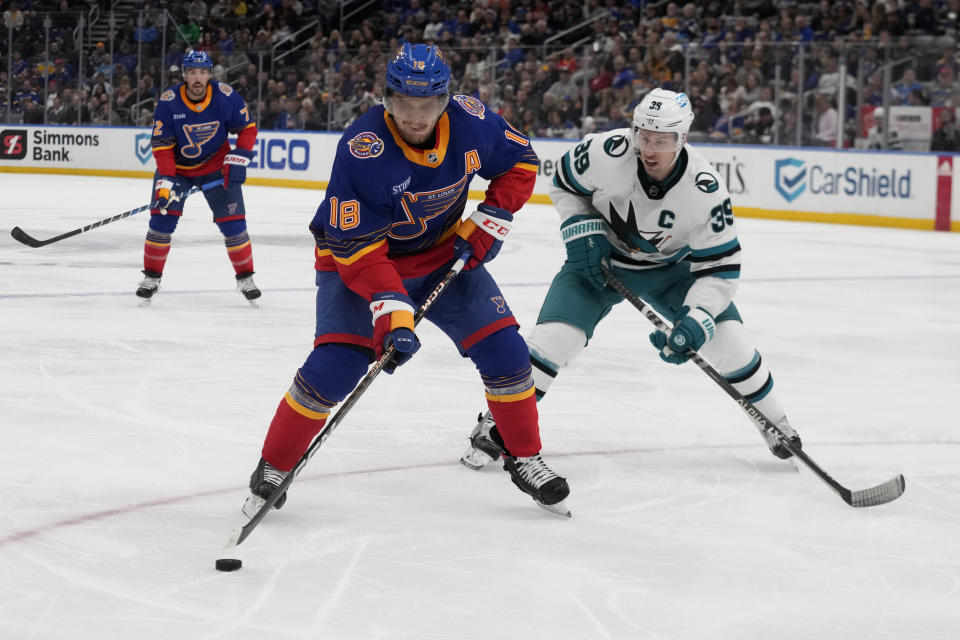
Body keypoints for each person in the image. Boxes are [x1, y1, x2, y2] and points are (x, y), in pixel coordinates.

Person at [241, 43, 571, 519]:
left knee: (507, 352)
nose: (416, 117)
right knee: (337, 365)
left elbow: (520, 161)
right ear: (386, 99)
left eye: (428, 105)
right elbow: (358, 249)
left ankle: (524, 455)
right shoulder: (362, 150)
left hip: (442, 258)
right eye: (404, 105)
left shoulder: (472, 121)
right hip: (356, 259)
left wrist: (492, 216)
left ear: (446, 100)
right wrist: (393, 312)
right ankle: (274, 465)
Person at [460, 88, 803, 472]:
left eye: (662, 140)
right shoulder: (606, 152)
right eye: (643, 135)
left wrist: (696, 318)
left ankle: (775, 421)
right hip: (598, 263)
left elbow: (720, 268)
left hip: (674, 271)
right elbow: (563, 181)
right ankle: (497, 421)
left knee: (731, 344)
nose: (649, 148)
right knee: (555, 340)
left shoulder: (706, 190)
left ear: (682, 138)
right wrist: (579, 225)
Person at [137, 49, 261, 304]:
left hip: (216, 167)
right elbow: (162, 145)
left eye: (202, 72)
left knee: (234, 226)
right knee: (161, 224)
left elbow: (247, 129)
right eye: (192, 72)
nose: (197, 78)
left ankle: (246, 278)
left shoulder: (226, 96)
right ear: (184, 74)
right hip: (178, 172)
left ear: (209, 74)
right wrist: (166, 181)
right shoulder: (169, 101)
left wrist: (240, 156)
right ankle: (151, 278)